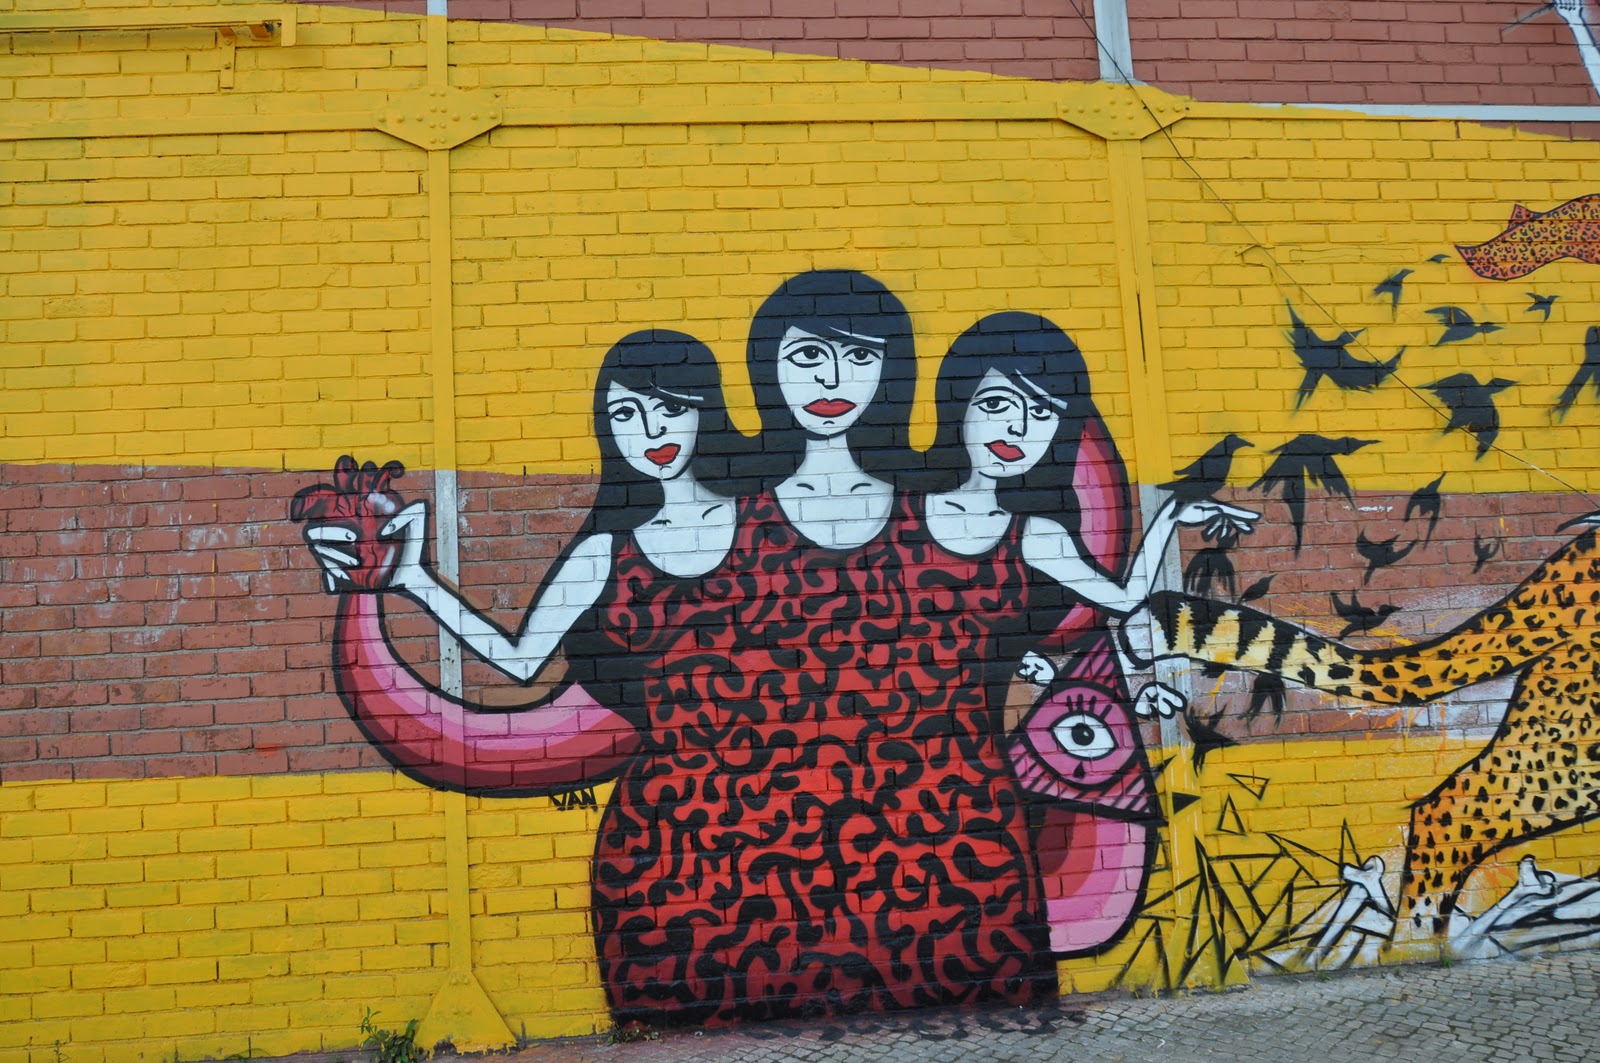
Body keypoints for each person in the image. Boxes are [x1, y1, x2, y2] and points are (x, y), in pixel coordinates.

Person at [920, 312, 1257, 955]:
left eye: (1041, 414)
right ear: (956, 402)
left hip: (979, 756)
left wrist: (1168, 516)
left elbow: (1124, 599)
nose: (1018, 430)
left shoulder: (1036, 533)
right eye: (997, 403)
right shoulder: (902, 507)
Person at [294, 329, 744, 793]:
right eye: (626, 413)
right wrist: (413, 578)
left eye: (670, 407)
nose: (651, 431)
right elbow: (522, 662)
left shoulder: (766, 512)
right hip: (672, 805)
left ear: (705, 407)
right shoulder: (605, 551)